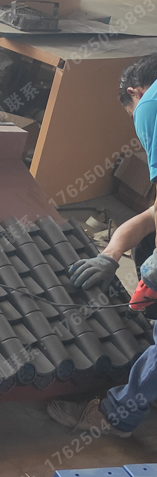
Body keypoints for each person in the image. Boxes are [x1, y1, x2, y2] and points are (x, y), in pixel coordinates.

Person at [47, 53, 157, 437]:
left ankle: (114, 416)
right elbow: (154, 214)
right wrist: (111, 254)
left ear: (134, 92)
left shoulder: (150, 103)